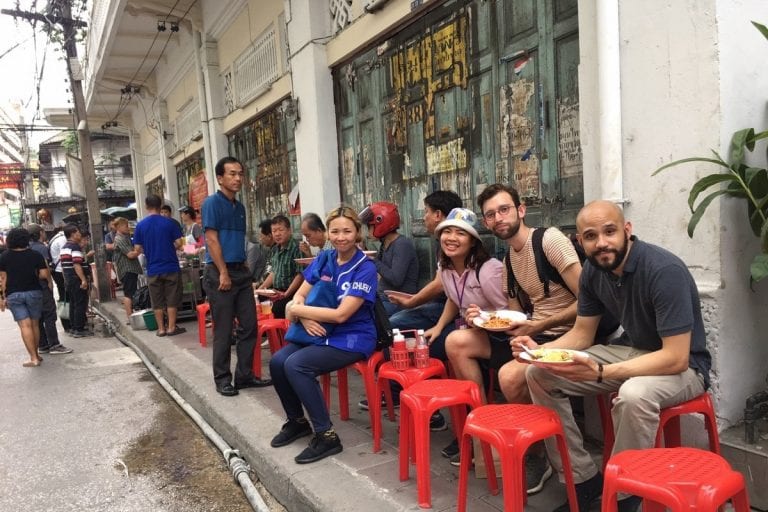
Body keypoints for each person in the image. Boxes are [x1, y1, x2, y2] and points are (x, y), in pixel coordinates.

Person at [520, 200, 712, 512]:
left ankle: (623, 496)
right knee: (539, 374)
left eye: (609, 231)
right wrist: (537, 351)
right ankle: (583, 480)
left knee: (634, 394)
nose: (602, 243)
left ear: (627, 230)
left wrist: (600, 373)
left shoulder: (663, 271)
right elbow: (582, 334)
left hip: (687, 365)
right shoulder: (593, 273)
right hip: (631, 349)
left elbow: (675, 358)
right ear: (580, 242)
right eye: (591, 236)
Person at [444, 183, 581, 489]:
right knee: (457, 341)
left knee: (509, 376)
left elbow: (589, 301)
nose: (498, 218)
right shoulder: (508, 261)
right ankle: (483, 431)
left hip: (566, 335)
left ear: (521, 210)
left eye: (504, 209)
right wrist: (483, 320)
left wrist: (535, 327)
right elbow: (516, 316)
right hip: (533, 334)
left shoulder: (549, 241)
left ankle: (538, 453)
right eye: (490, 215)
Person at [269, 206, 377, 464]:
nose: (341, 237)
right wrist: (304, 315)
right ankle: (297, 421)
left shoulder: (365, 268)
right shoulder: (324, 259)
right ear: (328, 233)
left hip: (353, 336)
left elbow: (342, 315)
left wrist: (295, 311)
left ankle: (327, 436)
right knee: (277, 362)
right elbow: (299, 294)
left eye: (347, 231)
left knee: (297, 365)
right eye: (335, 231)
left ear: (357, 233)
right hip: (317, 330)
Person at [358, 190, 461, 422]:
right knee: (379, 323)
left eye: (425, 212)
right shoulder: (439, 243)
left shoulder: (443, 243)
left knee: (395, 329)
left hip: (447, 309)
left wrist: (411, 301)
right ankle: (397, 390)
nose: (422, 217)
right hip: (442, 307)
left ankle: (420, 401)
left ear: (438, 214)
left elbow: (441, 285)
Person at [202, 156, 272, 396]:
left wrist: (242, 267)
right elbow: (212, 240)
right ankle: (222, 379)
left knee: (250, 326)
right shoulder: (211, 203)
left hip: (240, 272)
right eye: (232, 174)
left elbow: (237, 240)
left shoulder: (240, 207)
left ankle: (244, 375)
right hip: (219, 272)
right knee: (223, 330)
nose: (237, 178)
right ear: (220, 178)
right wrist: (222, 272)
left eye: (240, 173)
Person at [133, 195, 185, 337]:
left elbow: (137, 248)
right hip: (171, 266)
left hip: (153, 268)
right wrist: (169, 246)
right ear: (160, 205)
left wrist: (149, 249)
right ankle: (171, 328)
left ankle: (161, 329)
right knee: (172, 298)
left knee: (157, 301)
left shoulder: (140, 225)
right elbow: (180, 243)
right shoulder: (170, 223)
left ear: (146, 206)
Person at [0, 228, 50, 366]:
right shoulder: (35, 255)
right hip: (34, 292)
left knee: (24, 326)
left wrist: (1, 298)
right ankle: (37, 355)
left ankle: (33, 358)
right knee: (35, 324)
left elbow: (2, 279)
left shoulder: (4, 256)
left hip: (13, 294)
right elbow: (44, 275)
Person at [359, 201, 418, 316]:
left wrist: (373, 260)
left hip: (398, 302)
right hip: (384, 298)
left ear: (381, 224)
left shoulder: (402, 245)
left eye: (370, 226)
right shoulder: (385, 244)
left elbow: (396, 279)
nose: (368, 231)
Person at [27, 224, 72, 354]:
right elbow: (45, 269)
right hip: (42, 286)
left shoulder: (27, 248)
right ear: (40, 233)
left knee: (38, 317)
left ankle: (43, 345)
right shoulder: (41, 248)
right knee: (49, 315)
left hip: (31, 288)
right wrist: (50, 283)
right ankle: (54, 344)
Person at [260, 215, 303, 318]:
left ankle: (278, 332)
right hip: (276, 291)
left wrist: (286, 294)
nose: (277, 234)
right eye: (274, 231)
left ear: (289, 230)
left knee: (276, 308)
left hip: (291, 292)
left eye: (280, 230)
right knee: (255, 300)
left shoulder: (297, 248)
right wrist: (260, 289)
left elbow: (300, 275)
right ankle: (266, 332)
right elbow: (273, 273)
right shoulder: (275, 249)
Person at [60, 224, 92, 337]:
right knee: (80, 304)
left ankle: (74, 327)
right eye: (78, 232)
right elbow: (76, 264)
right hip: (76, 278)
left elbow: (63, 267)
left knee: (74, 303)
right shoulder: (74, 247)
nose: (79, 234)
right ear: (73, 234)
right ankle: (79, 329)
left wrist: (66, 280)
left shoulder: (64, 247)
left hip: (69, 279)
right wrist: (83, 279)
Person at [111, 217, 143, 323]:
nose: (128, 227)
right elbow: (130, 254)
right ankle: (130, 317)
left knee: (131, 292)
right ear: (119, 227)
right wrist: (139, 250)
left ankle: (131, 315)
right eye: (126, 225)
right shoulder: (119, 239)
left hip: (131, 269)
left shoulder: (125, 237)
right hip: (127, 269)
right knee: (128, 293)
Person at [246, 219, 274, 286]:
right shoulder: (271, 250)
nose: (260, 239)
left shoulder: (252, 248)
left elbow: (270, 273)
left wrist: (258, 285)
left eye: (261, 236)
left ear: (269, 236)